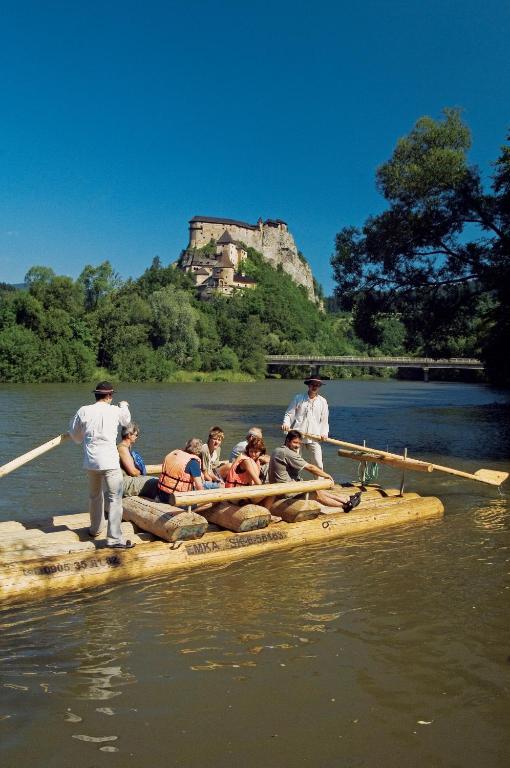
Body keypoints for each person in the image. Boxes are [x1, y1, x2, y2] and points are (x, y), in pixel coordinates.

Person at [69, 381, 135, 549]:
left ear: (96, 395)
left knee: (95, 496)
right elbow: (127, 421)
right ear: (110, 396)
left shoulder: (84, 410)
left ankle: (95, 528)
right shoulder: (115, 410)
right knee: (115, 499)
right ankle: (114, 539)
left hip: (91, 461)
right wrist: (124, 405)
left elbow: (76, 437)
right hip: (110, 462)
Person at [267, 430, 361, 511]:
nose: (297, 446)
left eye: (299, 443)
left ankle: (347, 499)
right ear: (287, 441)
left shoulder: (277, 450)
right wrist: (327, 476)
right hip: (287, 492)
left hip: (282, 489)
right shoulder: (288, 453)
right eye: (295, 443)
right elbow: (310, 468)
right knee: (316, 495)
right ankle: (344, 505)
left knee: (316, 490)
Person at [281, 377, 329, 469]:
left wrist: (324, 433)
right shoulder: (298, 398)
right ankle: (293, 480)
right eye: (313, 384)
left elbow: (324, 420)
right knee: (294, 461)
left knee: (318, 463)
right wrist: (286, 424)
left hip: (314, 436)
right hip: (297, 436)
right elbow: (289, 413)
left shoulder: (323, 401)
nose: (315, 387)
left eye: (317, 385)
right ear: (308, 385)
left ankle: (320, 482)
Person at [158, 437, 220, 503]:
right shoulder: (193, 462)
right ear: (198, 451)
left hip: (161, 493)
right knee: (209, 503)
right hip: (176, 499)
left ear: (186, 445)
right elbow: (199, 487)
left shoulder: (174, 454)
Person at [117, 423, 158, 499]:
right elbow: (133, 472)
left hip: (125, 482)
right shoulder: (122, 448)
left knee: (154, 481)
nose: (137, 437)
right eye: (136, 435)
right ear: (129, 435)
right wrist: (140, 470)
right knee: (156, 481)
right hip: (124, 483)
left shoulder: (124, 448)